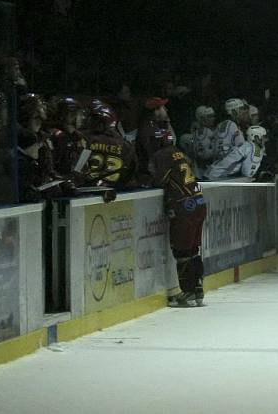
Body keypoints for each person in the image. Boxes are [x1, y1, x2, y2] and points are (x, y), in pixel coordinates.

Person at [150, 129, 207, 307]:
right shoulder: (179, 153)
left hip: (184, 205)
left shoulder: (161, 156)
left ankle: (187, 291)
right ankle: (198, 289)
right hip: (198, 200)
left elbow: (158, 180)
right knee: (193, 250)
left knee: (182, 252)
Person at [82, 103, 137, 188]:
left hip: (88, 191)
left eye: (92, 120)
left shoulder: (86, 140)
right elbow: (131, 171)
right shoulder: (125, 145)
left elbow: (78, 168)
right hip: (116, 191)